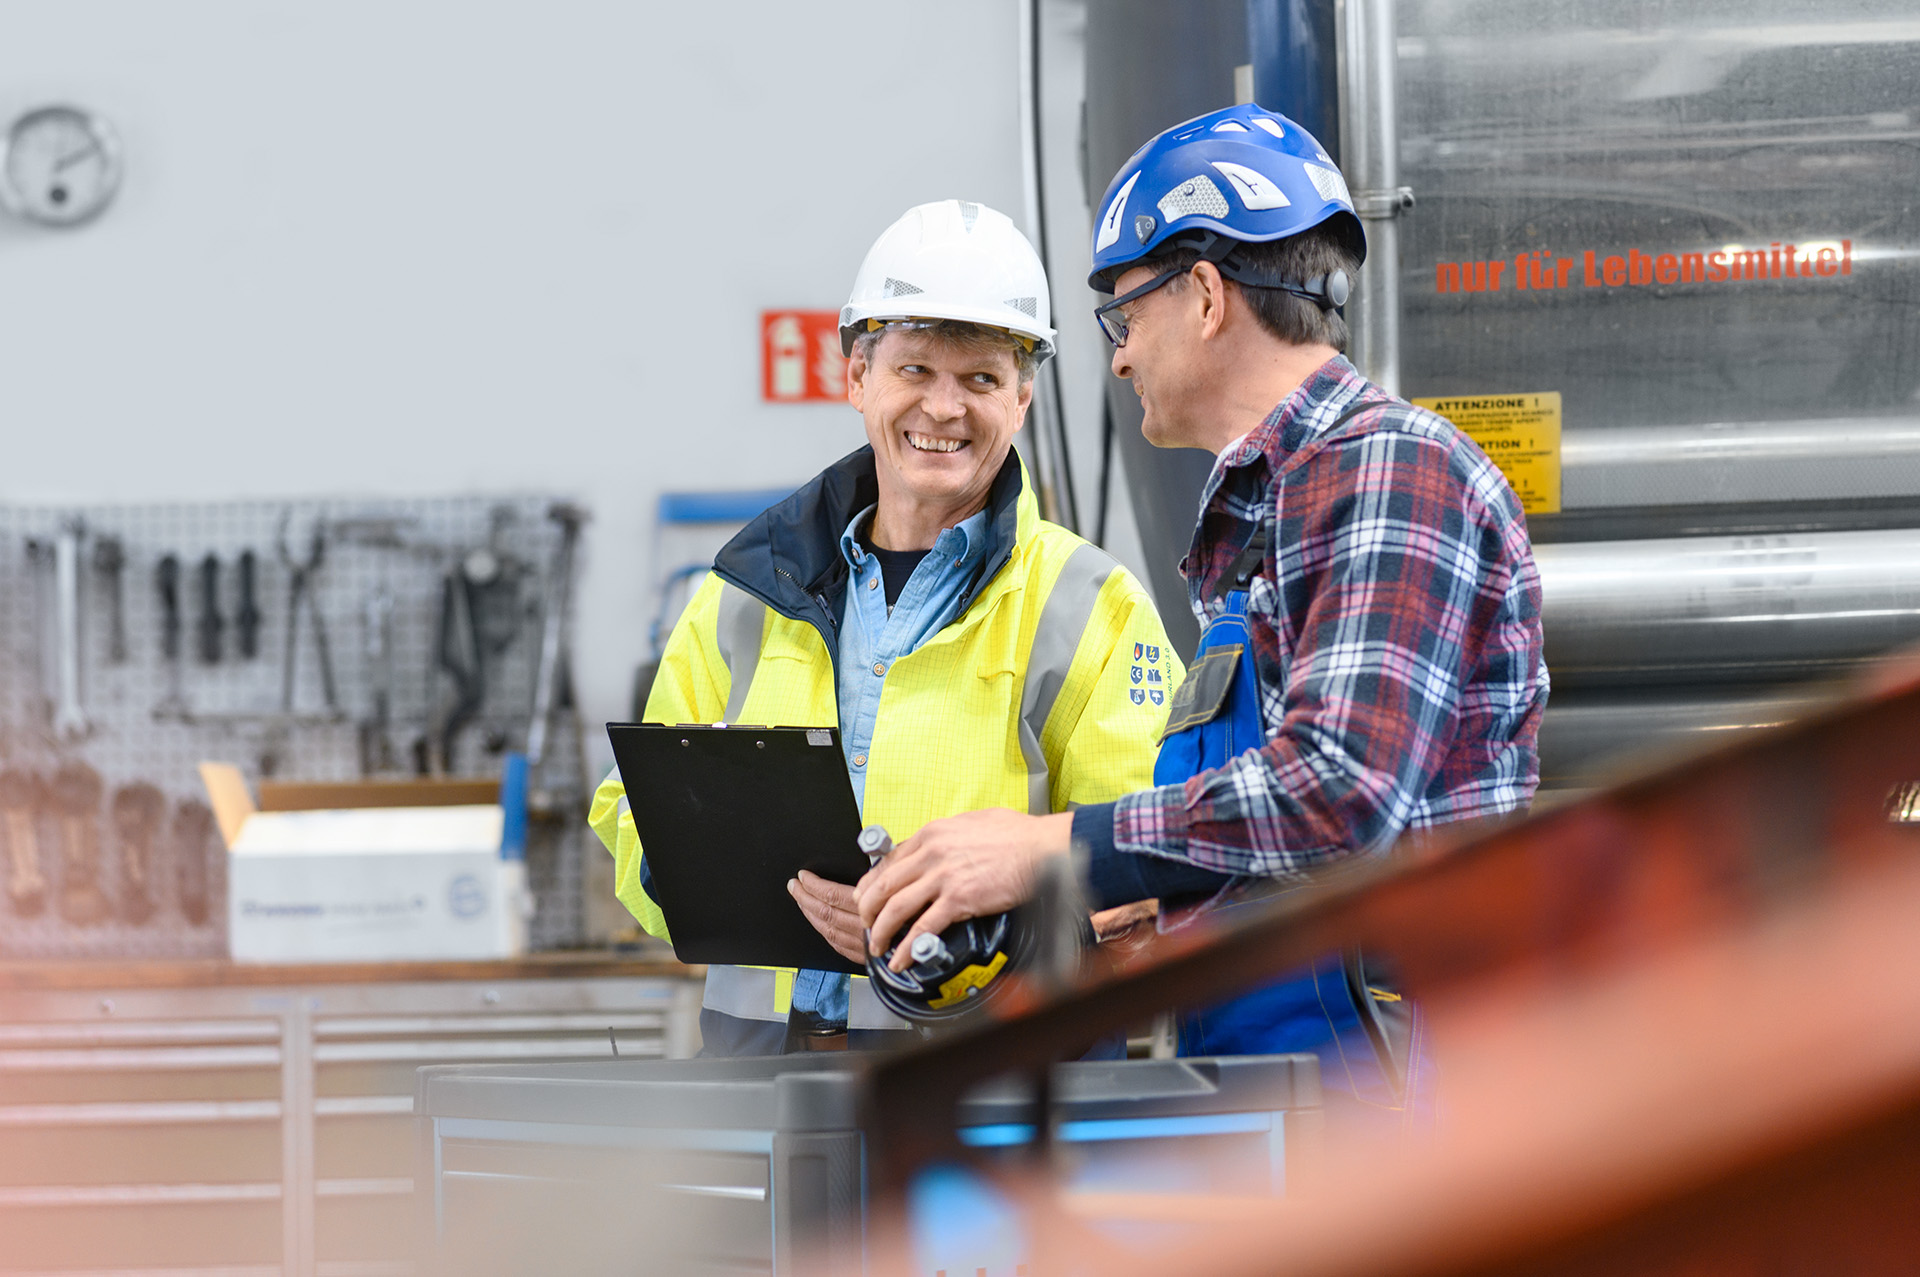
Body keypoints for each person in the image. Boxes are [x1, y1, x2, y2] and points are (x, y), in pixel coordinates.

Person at [855, 107, 1550, 1122]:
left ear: (1209, 296)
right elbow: (1285, 845)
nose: (1121, 358)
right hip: (1288, 1083)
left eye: (1124, 318)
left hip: (1404, 1090)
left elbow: (1339, 792)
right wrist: (1159, 908)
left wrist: (1046, 846)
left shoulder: (1386, 468)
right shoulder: (1270, 508)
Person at [590, 199, 1180, 1055]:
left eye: (980, 378)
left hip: (989, 1077)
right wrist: (723, 878)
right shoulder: (746, 595)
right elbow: (626, 807)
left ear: (1020, 400)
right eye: (914, 370)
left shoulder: (1092, 606)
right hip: (762, 1076)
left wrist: (961, 927)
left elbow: (1145, 876)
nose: (943, 408)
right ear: (857, 377)